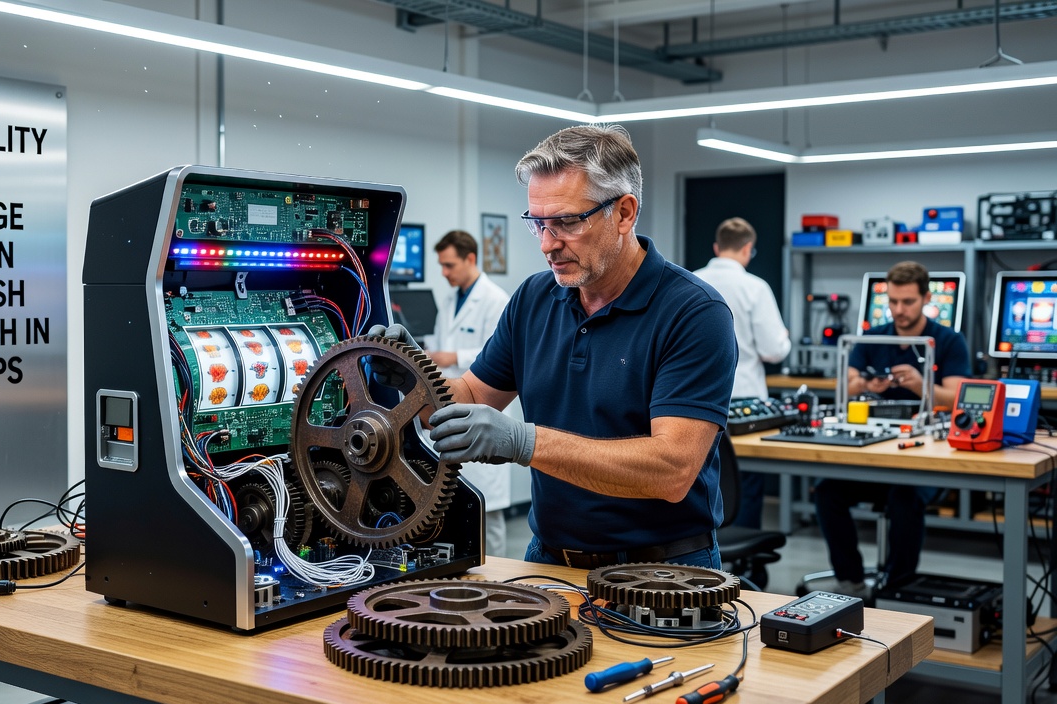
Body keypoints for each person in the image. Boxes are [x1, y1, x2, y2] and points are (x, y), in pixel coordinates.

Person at [373, 124, 736, 570]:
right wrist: (415, 376)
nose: (548, 244)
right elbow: (469, 398)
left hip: (662, 571)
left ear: (624, 213)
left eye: (566, 222)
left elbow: (672, 470)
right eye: (538, 224)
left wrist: (524, 441)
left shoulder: (694, 312)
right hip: (548, 558)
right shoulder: (534, 298)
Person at [812, 261, 970, 598]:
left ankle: (896, 589)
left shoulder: (948, 341)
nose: (899, 310)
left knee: (905, 497)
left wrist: (921, 385)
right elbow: (847, 384)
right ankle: (850, 582)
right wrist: (867, 384)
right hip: (875, 459)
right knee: (826, 492)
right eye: (893, 301)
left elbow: (958, 397)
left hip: (924, 462)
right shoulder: (872, 338)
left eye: (908, 302)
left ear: (926, 298)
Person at [693, 217, 792, 528]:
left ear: (716, 247)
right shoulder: (755, 288)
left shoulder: (690, 281)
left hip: (695, 400)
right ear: (748, 249)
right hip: (747, 402)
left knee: (702, 479)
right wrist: (784, 337)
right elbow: (774, 350)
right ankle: (744, 551)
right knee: (745, 483)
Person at [424, 230, 512, 556]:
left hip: (487, 408)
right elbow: (437, 349)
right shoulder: (449, 300)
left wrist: (454, 356)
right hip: (451, 405)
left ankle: (500, 575)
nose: (444, 272)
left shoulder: (496, 300)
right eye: (441, 266)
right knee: (455, 504)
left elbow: (501, 356)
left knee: (488, 512)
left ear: (470, 259)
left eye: (449, 265)